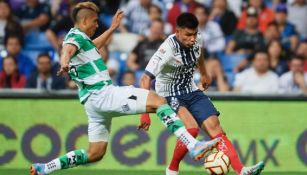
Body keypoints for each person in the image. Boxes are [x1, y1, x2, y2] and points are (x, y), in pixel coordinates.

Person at [29, 2, 220, 175]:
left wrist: (112, 28)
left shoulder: (83, 42)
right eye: (95, 21)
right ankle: (192, 145)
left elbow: (93, 46)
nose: (97, 25)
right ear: (85, 20)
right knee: (159, 100)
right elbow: (67, 50)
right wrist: (64, 62)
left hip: (91, 103)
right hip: (103, 93)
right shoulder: (73, 37)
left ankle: (45, 168)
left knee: (95, 153)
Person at [139, 12, 264, 175]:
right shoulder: (166, 49)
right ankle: (171, 170)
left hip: (191, 89)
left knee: (216, 128)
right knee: (191, 129)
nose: (192, 38)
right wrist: (144, 113)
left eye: (195, 34)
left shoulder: (197, 39)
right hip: (169, 94)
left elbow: (199, 54)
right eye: (188, 35)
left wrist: (204, 73)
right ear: (177, 32)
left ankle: (241, 170)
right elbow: (144, 79)